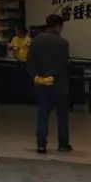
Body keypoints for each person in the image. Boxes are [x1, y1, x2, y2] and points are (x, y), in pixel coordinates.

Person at [28, 14, 71, 154]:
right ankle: (63, 144)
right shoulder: (63, 43)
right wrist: (54, 76)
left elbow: (30, 61)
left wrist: (36, 77)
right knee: (62, 115)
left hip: (41, 83)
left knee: (42, 114)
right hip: (59, 84)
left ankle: (41, 144)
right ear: (58, 26)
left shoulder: (35, 41)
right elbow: (64, 65)